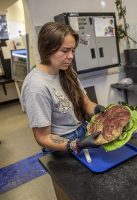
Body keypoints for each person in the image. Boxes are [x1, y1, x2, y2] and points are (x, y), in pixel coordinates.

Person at [21, 22, 105, 154]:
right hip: (61, 146)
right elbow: (43, 137)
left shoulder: (66, 71)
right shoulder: (36, 86)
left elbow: (86, 103)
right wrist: (75, 144)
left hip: (82, 130)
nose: (71, 56)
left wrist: (98, 110)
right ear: (47, 49)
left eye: (73, 50)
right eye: (65, 50)